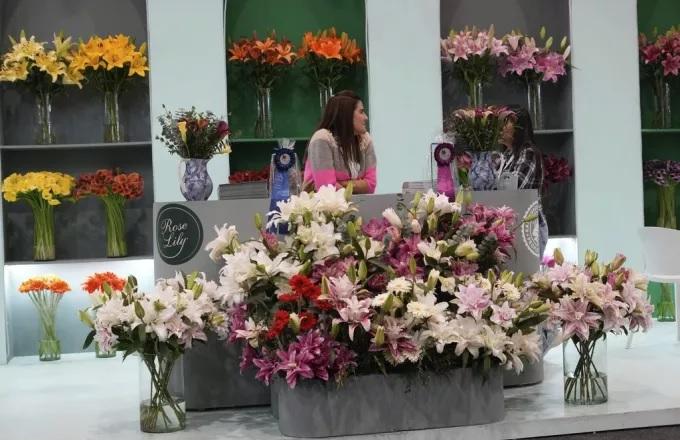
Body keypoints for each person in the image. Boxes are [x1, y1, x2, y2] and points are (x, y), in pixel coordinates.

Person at [499, 106, 549, 258]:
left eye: (505, 123)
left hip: (528, 228)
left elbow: (514, 192)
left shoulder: (528, 153)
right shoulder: (507, 155)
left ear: (519, 127)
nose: (500, 128)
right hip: (514, 227)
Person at [303, 90, 377, 194]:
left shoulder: (365, 140)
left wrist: (340, 183)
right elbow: (327, 189)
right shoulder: (322, 138)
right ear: (346, 115)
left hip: (356, 204)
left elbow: (371, 185)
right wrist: (358, 184)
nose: (366, 117)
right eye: (361, 112)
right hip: (324, 204)